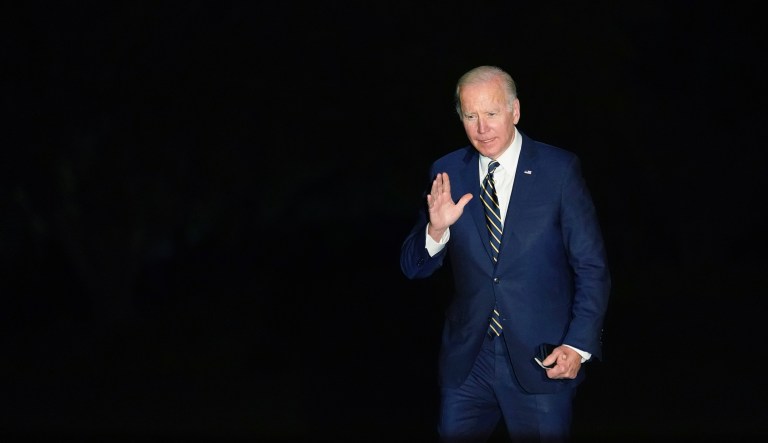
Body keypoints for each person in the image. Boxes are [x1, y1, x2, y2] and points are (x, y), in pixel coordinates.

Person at [400, 65, 610, 442]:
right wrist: (437, 229)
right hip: (469, 361)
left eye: (492, 114)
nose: (482, 128)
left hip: (542, 356)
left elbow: (591, 267)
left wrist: (578, 345)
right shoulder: (446, 171)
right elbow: (413, 267)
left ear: (515, 111)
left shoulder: (558, 170)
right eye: (470, 116)